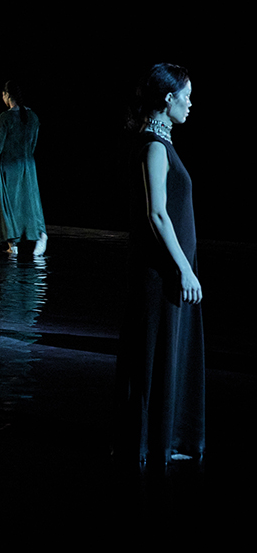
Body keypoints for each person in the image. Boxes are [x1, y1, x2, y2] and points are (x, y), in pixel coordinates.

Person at [116, 63, 203, 474]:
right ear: (168, 99)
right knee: (154, 353)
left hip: (170, 268)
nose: (191, 103)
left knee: (169, 352)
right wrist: (184, 268)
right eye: (186, 96)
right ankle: (148, 445)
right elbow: (157, 214)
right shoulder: (153, 146)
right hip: (161, 271)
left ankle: (161, 441)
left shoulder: (161, 143)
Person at [0, 81, 48, 256]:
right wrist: (26, 158)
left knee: (9, 204)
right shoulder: (32, 116)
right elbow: (33, 143)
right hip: (28, 165)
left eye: (3, 95)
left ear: (7, 95)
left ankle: (13, 244)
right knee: (30, 202)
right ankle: (39, 235)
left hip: (10, 166)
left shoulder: (5, 117)